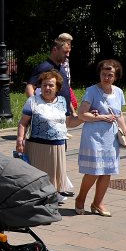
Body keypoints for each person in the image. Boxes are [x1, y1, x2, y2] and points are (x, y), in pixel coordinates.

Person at [15, 70, 83, 202]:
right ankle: (36, 201)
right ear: (40, 87)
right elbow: (23, 123)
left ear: (57, 87)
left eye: (51, 85)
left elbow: (69, 122)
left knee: (54, 177)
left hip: (57, 146)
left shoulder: (63, 101)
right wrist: (19, 139)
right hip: (37, 146)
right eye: (44, 85)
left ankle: (51, 201)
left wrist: (83, 118)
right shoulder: (33, 101)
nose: (47, 88)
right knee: (37, 176)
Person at [76, 60, 126, 216]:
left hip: (110, 137)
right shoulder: (92, 91)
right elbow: (82, 114)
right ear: (99, 75)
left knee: (107, 171)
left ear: (115, 77)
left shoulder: (118, 92)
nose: (106, 78)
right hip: (93, 135)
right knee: (94, 170)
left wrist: (125, 132)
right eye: (104, 74)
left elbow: (119, 114)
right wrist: (101, 117)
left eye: (110, 75)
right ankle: (80, 199)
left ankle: (98, 203)